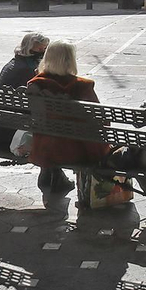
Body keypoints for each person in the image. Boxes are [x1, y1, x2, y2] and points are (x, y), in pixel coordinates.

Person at [25, 40, 108, 193]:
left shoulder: (34, 84)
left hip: (43, 148)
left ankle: (50, 172)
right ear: (70, 60)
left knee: (50, 129)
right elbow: (101, 120)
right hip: (74, 152)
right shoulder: (83, 86)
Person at [0, 31, 47, 151]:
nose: (43, 53)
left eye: (45, 49)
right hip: (11, 134)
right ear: (29, 49)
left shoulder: (13, 63)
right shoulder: (26, 70)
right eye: (40, 49)